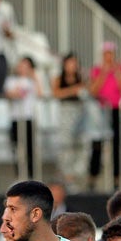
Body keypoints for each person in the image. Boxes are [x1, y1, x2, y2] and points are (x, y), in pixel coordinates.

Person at [89, 42, 121, 190]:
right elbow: (94, 90)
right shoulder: (97, 70)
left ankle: (116, 179)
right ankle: (93, 176)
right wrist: (104, 72)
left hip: (115, 109)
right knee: (97, 144)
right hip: (100, 110)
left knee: (116, 145)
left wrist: (116, 71)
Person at [51, 52, 87, 185]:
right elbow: (56, 93)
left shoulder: (81, 77)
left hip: (79, 111)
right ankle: (66, 175)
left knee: (80, 142)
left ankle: (74, 174)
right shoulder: (59, 78)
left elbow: (87, 89)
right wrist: (74, 89)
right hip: (65, 111)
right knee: (66, 143)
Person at [5, 57, 42, 180]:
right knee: (18, 148)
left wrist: (34, 77)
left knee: (30, 147)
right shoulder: (12, 80)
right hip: (16, 118)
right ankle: (19, 175)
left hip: (29, 117)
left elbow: (41, 93)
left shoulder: (33, 81)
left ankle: (31, 175)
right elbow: (9, 94)